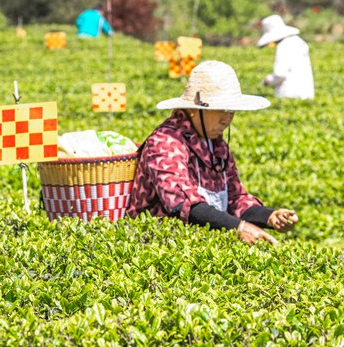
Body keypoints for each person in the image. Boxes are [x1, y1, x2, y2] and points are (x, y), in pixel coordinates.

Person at [127, 61, 299, 244]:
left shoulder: (217, 146)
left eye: (231, 111)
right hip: (158, 245)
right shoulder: (165, 142)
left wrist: (269, 216)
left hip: (203, 242)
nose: (227, 119)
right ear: (194, 110)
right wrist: (239, 228)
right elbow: (183, 204)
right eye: (221, 110)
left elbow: (235, 199)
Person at [258, 15, 314, 100]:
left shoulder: (284, 46)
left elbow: (280, 74)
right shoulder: (299, 41)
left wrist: (267, 81)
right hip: (305, 92)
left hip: (290, 94)